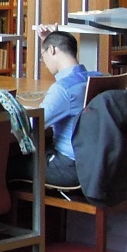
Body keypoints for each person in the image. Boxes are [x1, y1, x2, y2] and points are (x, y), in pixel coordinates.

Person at [37, 28, 96, 185]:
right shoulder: (99, 77)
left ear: (52, 50)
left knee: (7, 164)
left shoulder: (63, 89)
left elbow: (33, 124)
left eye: (43, 56)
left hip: (69, 166)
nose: (44, 63)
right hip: (94, 164)